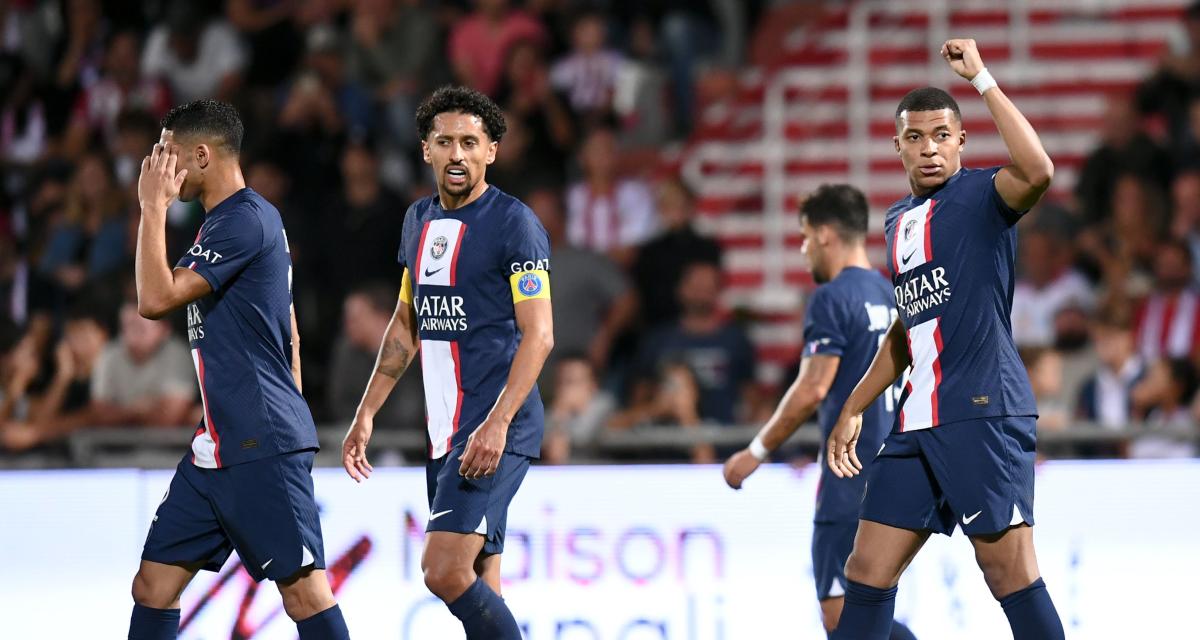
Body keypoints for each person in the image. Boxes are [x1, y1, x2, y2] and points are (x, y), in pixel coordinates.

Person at [826, 40, 1065, 639]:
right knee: (867, 568)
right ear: (898, 145)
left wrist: (981, 78)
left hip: (983, 411)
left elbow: (1039, 170)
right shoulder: (897, 222)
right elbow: (910, 329)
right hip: (918, 421)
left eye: (941, 135)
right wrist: (853, 406)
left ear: (961, 142)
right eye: (916, 137)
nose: (929, 148)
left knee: (1006, 571)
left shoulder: (986, 196)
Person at [126, 100, 348, 639]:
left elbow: (155, 299)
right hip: (218, 446)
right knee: (153, 586)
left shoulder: (244, 220)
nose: (159, 166)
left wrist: (151, 208)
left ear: (202, 155)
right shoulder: (225, 225)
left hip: (258, 443)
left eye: (168, 154)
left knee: (304, 592)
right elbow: (288, 328)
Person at [341, 85, 553, 640]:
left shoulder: (515, 224)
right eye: (445, 142)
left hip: (494, 426)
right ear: (425, 150)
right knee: (482, 576)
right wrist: (366, 413)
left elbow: (540, 335)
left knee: (443, 570)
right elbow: (406, 324)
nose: (457, 153)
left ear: (491, 151)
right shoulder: (416, 220)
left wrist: (498, 424)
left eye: (469, 142)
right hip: (445, 431)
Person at [721, 184, 915, 639]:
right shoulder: (896, 296)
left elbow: (812, 388)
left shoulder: (831, 298)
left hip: (848, 476)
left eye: (805, 236)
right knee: (868, 607)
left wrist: (755, 450)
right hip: (895, 473)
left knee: (841, 612)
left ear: (826, 234)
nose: (803, 248)